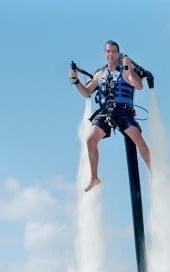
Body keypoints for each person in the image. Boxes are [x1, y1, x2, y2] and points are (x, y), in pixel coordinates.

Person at [68, 40, 151, 192]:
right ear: (105, 53)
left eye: (114, 51)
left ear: (118, 53)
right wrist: (75, 80)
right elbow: (86, 92)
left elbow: (138, 86)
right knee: (90, 140)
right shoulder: (99, 74)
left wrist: (130, 69)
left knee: (139, 140)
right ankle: (94, 178)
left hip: (123, 110)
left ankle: (153, 171)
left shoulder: (125, 70)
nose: (111, 54)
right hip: (106, 111)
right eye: (108, 51)